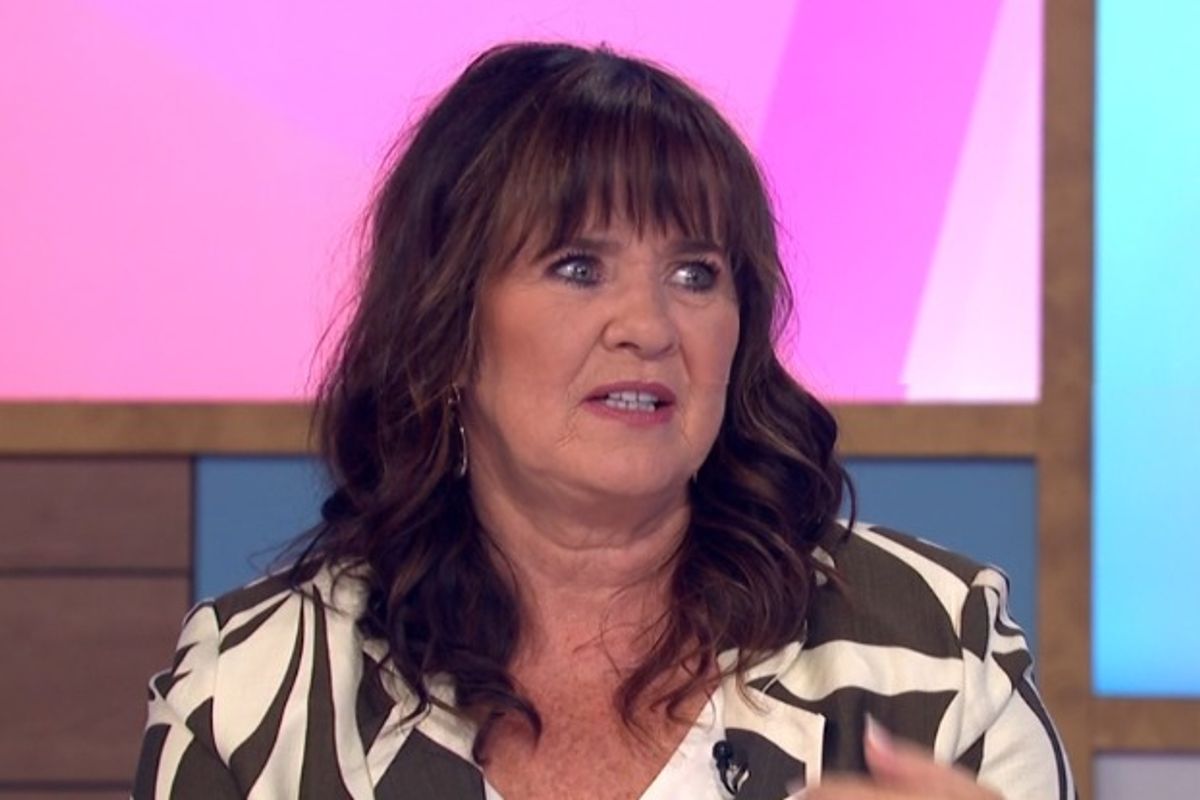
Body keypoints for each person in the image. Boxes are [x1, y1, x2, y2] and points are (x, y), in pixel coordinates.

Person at [133, 42, 1074, 800]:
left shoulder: (933, 649)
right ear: (448, 325)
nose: (649, 327)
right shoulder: (252, 697)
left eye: (695, 274)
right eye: (578, 267)